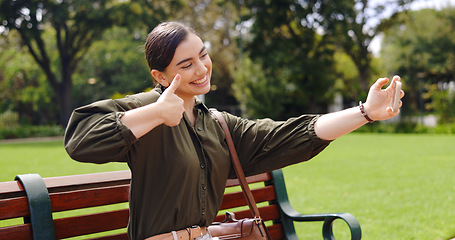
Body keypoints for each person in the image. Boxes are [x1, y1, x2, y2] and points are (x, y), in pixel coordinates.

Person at [64, 21, 404, 240]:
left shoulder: (218, 124)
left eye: (203, 55)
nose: (201, 69)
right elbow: (80, 139)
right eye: (186, 65)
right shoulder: (142, 109)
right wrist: (155, 112)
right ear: (160, 76)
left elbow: (289, 135)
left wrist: (366, 112)